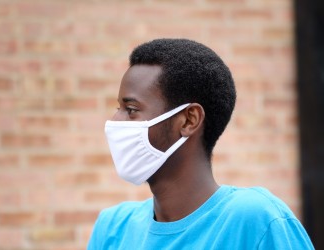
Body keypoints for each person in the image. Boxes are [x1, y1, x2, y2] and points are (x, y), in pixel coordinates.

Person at [88, 38, 314, 249]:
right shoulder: (113, 229)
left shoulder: (256, 221)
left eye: (131, 110)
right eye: (118, 108)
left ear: (189, 120)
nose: (115, 121)